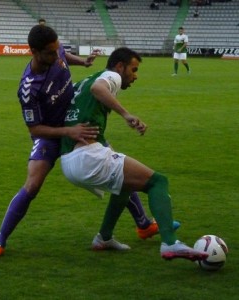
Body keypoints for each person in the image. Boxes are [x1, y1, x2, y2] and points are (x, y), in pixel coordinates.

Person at [0, 25, 176, 262]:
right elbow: (34, 128)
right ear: (33, 51)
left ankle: (144, 224)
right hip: (51, 134)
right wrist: (67, 131)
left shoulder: (56, 51)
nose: (56, 55)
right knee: (32, 186)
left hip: (74, 121)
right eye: (50, 53)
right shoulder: (29, 87)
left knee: (115, 163)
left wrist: (82, 62)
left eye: (57, 49)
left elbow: (63, 55)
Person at [60, 47, 208, 261]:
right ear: (120, 66)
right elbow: (98, 89)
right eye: (134, 69)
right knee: (158, 182)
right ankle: (170, 243)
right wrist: (126, 114)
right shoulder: (111, 76)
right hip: (87, 157)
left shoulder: (82, 81)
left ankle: (104, 237)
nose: (135, 76)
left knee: (125, 187)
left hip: (70, 159)